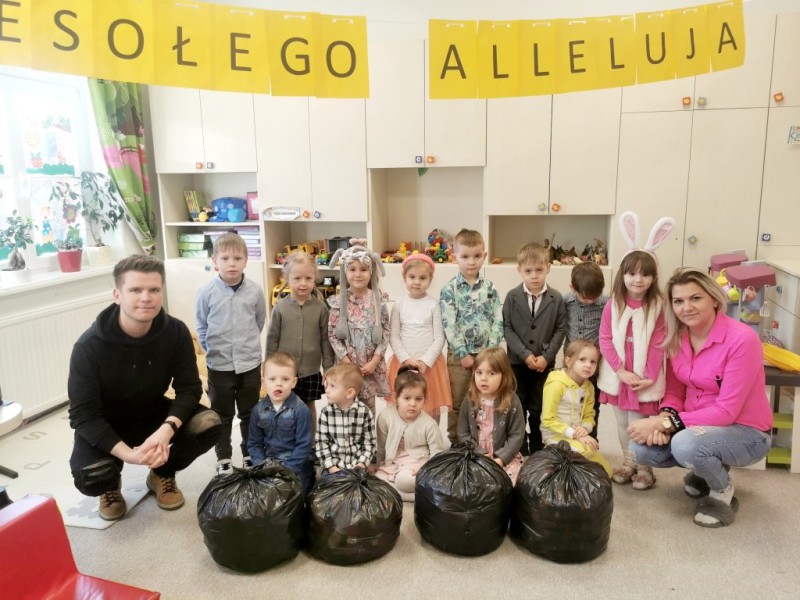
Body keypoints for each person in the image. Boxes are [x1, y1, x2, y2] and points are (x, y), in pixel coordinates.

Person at [68, 255, 222, 521]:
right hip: (106, 421)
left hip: (151, 412)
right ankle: (110, 486)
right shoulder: (88, 347)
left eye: (154, 290)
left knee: (209, 424)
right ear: (117, 295)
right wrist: (128, 455)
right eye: (135, 290)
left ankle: (161, 474)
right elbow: (83, 416)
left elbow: (189, 389)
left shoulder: (176, 332)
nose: (146, 298)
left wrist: (166, 430)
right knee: (92, 476)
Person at [628, 268, 772, 528]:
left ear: (714, 299)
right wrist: (665, 415)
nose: (686, 308)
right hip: (695, 425)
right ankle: (706, 472)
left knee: (685, 444)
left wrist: (665, 424)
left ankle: (722, 491)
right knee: (641, 449)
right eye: (678, 301)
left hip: (747, 432)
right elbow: (674, 392)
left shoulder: (742, 339)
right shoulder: (677, 338)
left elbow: (726, 411)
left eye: (695, 298)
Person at [195, 232, 266, 475]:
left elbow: (259, 321)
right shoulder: (206, 292)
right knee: (222, 415)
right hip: (220, 365)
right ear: (215, 261)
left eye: (237, 258)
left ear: (246, 260)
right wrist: (211, 350)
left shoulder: (255, 291)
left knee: (249, 412)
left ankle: (249, 453)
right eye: (225, 258)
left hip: (249, 364)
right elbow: (201, 325)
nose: (231, 264)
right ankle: (223, 456)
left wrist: (247, 346)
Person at [597, 249, 666, 490]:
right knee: (621, 422)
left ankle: (645, 467)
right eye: (632, 273)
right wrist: (620, 370)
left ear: (653, 278)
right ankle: (629, 462)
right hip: (618, 375)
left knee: (639, 422)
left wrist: (649, 376)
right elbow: (605, 338)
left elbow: (659, 342)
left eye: (645, 274)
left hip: (643, 377)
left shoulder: (658, 306)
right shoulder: (613, 303)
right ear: (623, 275)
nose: (638, 279)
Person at [440, 228, 503, 445]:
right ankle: (457, 443)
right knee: (458, 401)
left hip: (486, 357)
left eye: (477, 256)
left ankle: (481, 440)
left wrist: (490, 352)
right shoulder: (450, 289)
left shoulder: (491, 288)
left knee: (484, 399)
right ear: (454, 256)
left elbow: (497, 320)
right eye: (465, 256)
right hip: (460, 359)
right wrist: (462, 353)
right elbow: (449, 324)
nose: (471, 262)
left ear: (484, 256)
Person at [503, 242, 566, 454]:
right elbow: (507, 328)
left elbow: (560, 329)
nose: (534, 276)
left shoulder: (556, 298)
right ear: (519, 270)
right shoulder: (512, 297)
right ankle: (519, 445)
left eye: (539, 270)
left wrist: (547, 357)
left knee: (540, 406)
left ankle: (538, 445)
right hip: (517, 362)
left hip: (544, 364)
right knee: (518, 404)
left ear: (548, 268)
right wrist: (524, 354)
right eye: (528, 271)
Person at [267, 251, 335, 435]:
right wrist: (269, 368)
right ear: (287, 279)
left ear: (315, 278)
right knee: (285, 407)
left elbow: (326, 340)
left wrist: (328, 368)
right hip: (284, 372)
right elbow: (272, 339)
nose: (303, 283)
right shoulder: (280, 308)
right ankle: (286, 441)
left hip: (310, 370)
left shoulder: (321, 308)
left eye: (308, 278)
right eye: (297, 278)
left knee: (308, 407)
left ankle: (309, 443)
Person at [327, 241, 390, 416]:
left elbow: (385, 331)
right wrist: (347, 362)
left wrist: (375, 361)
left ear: (371, 272)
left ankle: (368, 434)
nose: (358, 274)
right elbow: (333, 334)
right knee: (345, 405)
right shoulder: (338, 302)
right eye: (352, 269)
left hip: (370, 366)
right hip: (347, 365)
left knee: (368, 410)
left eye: (363, 269)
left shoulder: (378, 301)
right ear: (344, 271)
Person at [388, 253, 451, 418]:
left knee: (430, 406)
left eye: (423, 278)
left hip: (429, 366)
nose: (417, 282)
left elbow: (439, 338)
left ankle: (430, 434)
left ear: (430, 279)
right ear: (404, 277)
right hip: (403, 364)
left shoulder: (434, 305)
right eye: (412, 277)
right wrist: (406, 359)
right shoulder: (398, 305)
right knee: (405, 403)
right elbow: (394, 336)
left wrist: (426, 361)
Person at [541, 339, 612, 476]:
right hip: (556, 435)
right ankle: (552, 456)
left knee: (606, 473)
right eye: (582, 359)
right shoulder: (556, 385)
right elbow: (548, 420)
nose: (588, 365)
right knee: (586, 451)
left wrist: (584, 429)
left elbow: (589, 415)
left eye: (593, 361)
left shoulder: (589, 387)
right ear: (568, 361)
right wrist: (574, 434)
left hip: (577, 435)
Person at [375, 365, 445, 502]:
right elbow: (381, 444)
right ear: (396, 397)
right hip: (393, 462)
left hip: (417, 463)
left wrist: (423, 468)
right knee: (376, 482)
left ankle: (404, 495)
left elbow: (437, 453)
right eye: (407, 398)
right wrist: (380, 464)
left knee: (404, 481)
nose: (412, 404)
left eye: (418, 399)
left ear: (424, 399)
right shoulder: (385, 416)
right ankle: (413, 496)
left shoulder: (429, 424)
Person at [247, 352, 314, 493]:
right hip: (269, 461)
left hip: (296, 463)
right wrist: (261, 466)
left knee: (294, 494)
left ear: (293, 382)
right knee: (257, 493)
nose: (278, 383)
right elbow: (254, 443)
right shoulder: (258, 410)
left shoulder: (301, 410)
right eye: (272, 379)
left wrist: (288, 470)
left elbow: (304, 444)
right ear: (263, 382)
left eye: (285, 379)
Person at [457, 348, 525, 484]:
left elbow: (517, 435)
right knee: (467, 482)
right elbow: (463, 433)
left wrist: (501, 459)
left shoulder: (512, 400)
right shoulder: (469, 400)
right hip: (475, 455)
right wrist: (479, 454)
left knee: (511, 482)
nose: (483, 378)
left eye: (491, 373)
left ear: (504, 376)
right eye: (479, 372)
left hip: (504, 457)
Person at [563, 261, 608, 435]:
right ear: (573, 288)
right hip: (571, 362)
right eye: (585, 297)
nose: (590, 301)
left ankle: (591, 438)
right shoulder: (566, 301)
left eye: (594, 297)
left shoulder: (606, 303)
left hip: (593, 364)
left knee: (591, 404)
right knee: (567, 402)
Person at [316, 363, 376, 474]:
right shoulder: (326, 413)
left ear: (349, 393)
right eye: (327, 385)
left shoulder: (364, 412)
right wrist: (331, 468)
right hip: (332, 467)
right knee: (330, 485)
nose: (327, 390)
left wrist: (360, 465)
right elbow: (321, 443)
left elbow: (370, 443)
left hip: (357, 466)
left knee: (363, 485)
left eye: (332, 386)